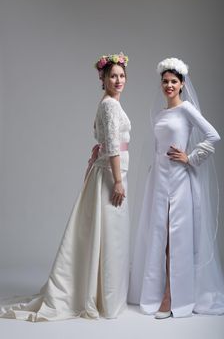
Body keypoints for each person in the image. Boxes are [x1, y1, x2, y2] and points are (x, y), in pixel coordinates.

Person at [0, 52, 131, 321]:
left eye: (121, 76)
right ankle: (104, 298)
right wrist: (117, 180)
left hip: (110, 172)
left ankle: (104, 294)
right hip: (110, 175)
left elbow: (107, 143)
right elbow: (113, 147)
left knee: (108, 235)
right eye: (112, 76)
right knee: (109, 235)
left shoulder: (111, 104)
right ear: (103, 79)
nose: (118, 80)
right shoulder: (109, 106)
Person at [128, 57, 224, 319]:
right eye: (165, 81)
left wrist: (191, 157)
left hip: (179, 182)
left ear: (182, 84)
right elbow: (157, 148)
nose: (168, 85)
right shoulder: (162, 114)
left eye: (174, 81)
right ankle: (156, 292)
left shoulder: (186, 109)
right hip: (159, 182)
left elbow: (213, 135)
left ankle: (172, 296)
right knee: (159, 237)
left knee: (174, 240)